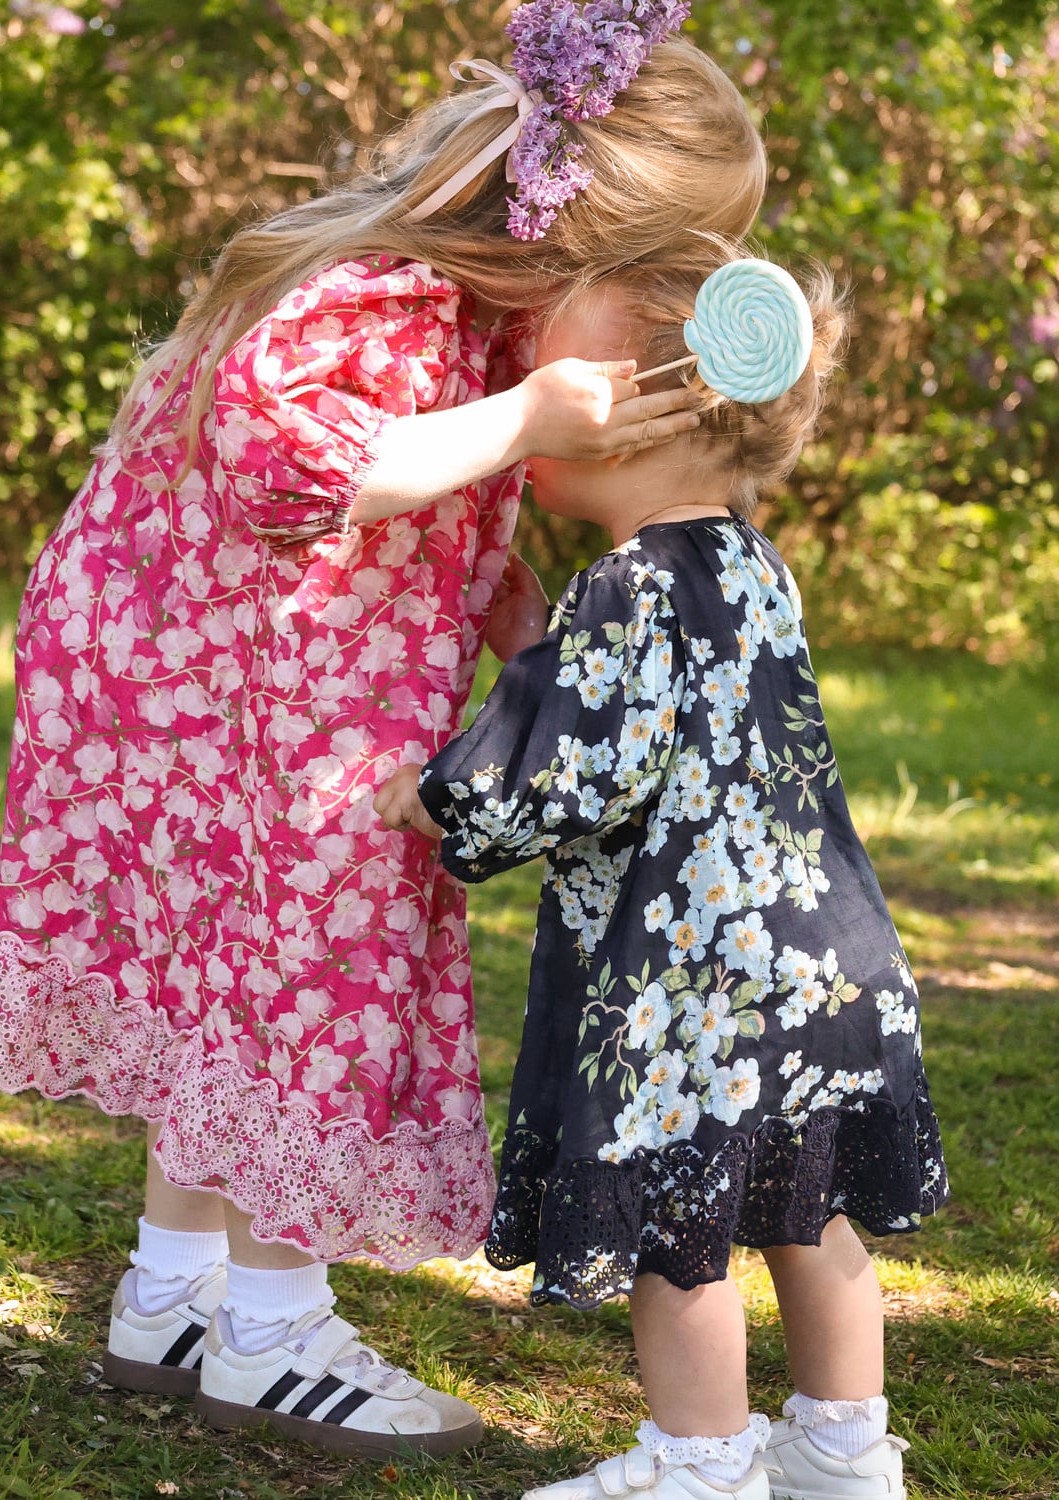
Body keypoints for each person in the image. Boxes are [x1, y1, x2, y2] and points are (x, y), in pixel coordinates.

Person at [0, 2, 771, 1460]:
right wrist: (529, 412)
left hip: (200, 677)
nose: (651, 343)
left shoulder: (449, 317)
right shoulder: (393, 297)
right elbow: (298, 475)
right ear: (567, 244)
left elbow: (418, 513)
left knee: (243, 991)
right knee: (314, 981)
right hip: (226, 693)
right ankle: (271, 1332)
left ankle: (171, 1299)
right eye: (647, 296)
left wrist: (508, 605)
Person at [375, 244, 948, 1498]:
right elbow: (673, 724)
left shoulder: (629, 588)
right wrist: (542, 649)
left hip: (699, 990)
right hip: (829, 964)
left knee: (676, 1239)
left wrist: (431, 797)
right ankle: (847, 1458)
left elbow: (575, 771)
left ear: (653, 410)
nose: (532, 398)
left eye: (559, 374)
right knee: (812, 1214)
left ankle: (701, 1467)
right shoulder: (755, 567)